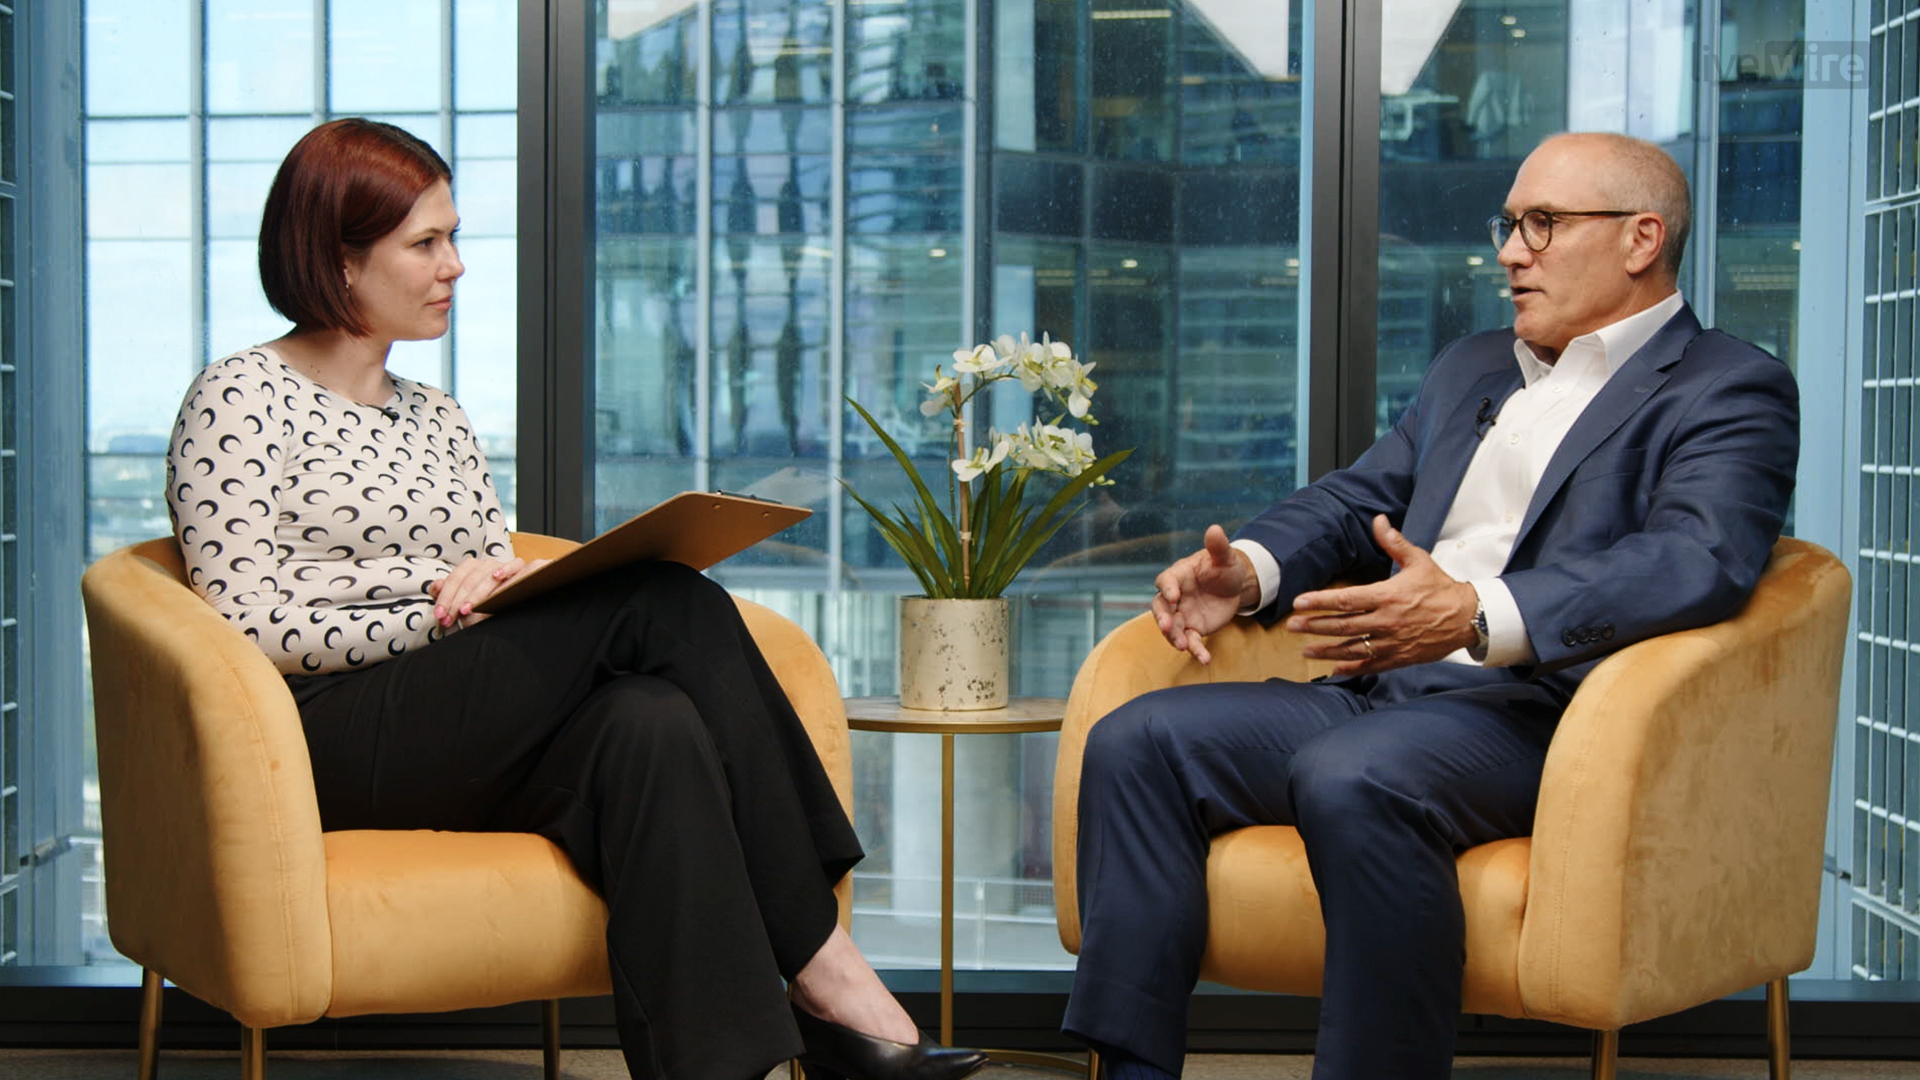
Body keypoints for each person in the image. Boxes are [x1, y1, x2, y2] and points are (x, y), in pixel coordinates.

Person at [165, 117, 988, 1080]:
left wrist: (508, 587)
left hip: (457, 713)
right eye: (425, 243)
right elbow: (243, 623)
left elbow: (483, 570)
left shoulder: (438, 416)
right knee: (662, 599)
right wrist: (430, 616)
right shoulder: (239, 395)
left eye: (454, 238)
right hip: (316, 735)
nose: (455, 266)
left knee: (651, 723)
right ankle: (828, 971)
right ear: (339, 258)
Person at [1061, 131, 1800, 1080]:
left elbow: (1696, 559)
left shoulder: (1727, 385)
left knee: (1352, 771)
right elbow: (1359, 498)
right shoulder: (1472, 366)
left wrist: (1477, 613)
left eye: (1543, 224)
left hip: (1548, 716)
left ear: (1641, 238)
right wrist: (1246, 570)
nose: (1511, 253)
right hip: (1382, 695)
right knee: (1138, 740)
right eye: (1509, 224)